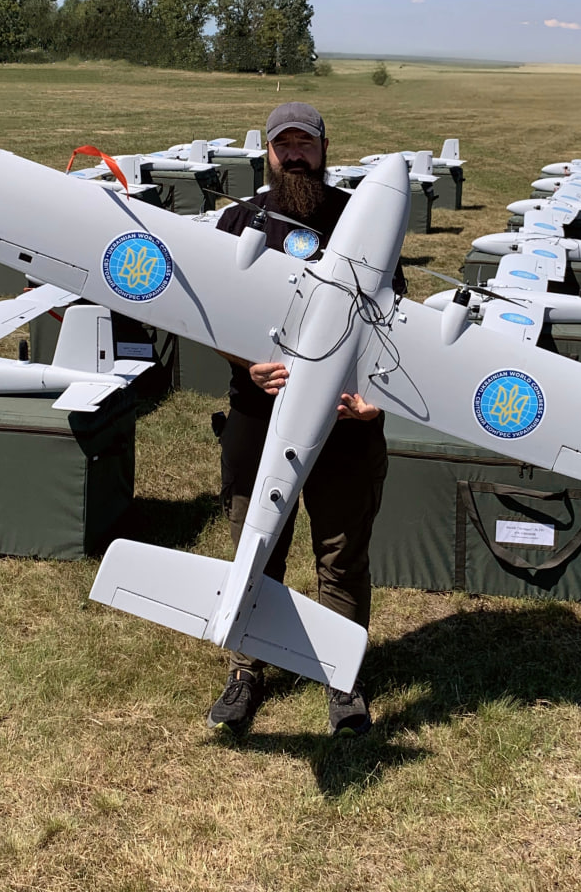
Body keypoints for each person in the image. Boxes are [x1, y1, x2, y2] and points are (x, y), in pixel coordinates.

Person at [207, 101, 405, 737]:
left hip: (345, 424)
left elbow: (394, 320)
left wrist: (376, 399)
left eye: (305, 144)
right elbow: (210, 313)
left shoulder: (361, 220)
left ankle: (341, 677)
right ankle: (245, 671)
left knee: (341, 553)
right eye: (282, 144)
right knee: (255, 544)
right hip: (257, 413)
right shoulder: (240, 219)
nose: (294, 154)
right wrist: (248, 364)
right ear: (267, 152)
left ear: (324, 149)